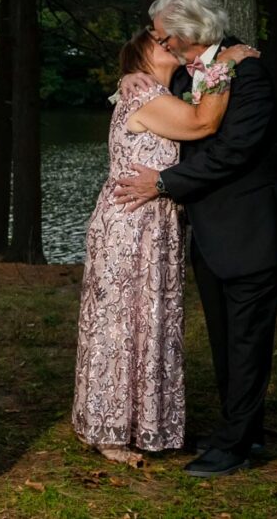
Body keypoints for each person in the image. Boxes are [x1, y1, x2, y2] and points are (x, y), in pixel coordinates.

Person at [115, 0, 277, 477]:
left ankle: (235, 445)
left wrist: (163, 182)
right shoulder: (188, 72)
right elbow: (166, 106)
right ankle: (244, 427)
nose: (157, 42)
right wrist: (134, 82)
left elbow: (235, 152)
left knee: (247, 339)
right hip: (208, 229)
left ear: (183, 34)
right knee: (225, 337)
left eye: (161, 36)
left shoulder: (250, 73)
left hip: (252, 228)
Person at [73, 28, 257, 466]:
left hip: (154, 223)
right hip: (131, 224)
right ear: (142, 58)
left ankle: (149, 423)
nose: (169, 45)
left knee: (149, 320)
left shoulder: (154, 91)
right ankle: (109, 425)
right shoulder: (144, 97)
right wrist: (225, 64)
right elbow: (202, 122)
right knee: (121, 322)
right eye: (159, 44)